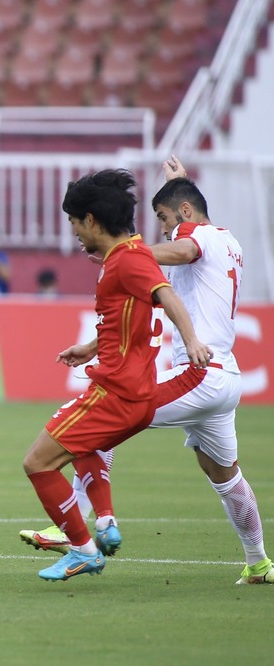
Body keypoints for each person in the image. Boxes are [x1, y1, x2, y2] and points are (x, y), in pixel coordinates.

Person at [20, 156, 272, 584]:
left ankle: (78, 527)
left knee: (99, 419)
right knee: (224, 477)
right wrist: (92, 344)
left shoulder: (188, 240)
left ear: (186, 213)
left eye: (165, 218)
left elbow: (181, 251)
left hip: (198, 371)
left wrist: (124, 248)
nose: (162, 228)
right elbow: (135, 304)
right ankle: (259, 562)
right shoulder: (229, 240)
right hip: (222, 374)